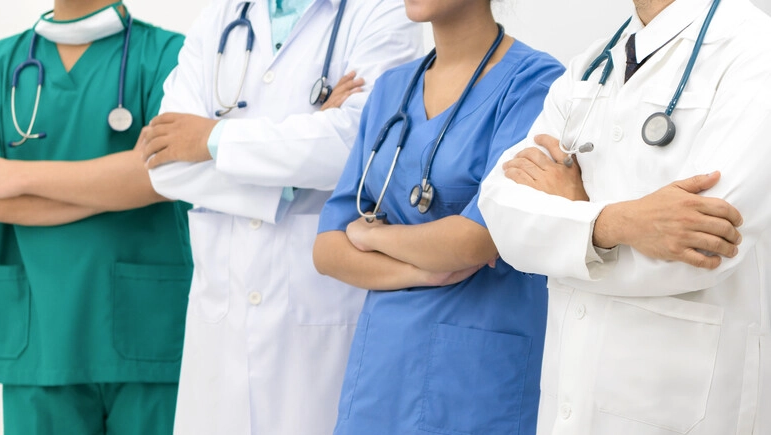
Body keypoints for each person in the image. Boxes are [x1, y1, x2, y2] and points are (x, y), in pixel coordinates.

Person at [478, 0, 771, 433]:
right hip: (569, 399)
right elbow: (502, 213)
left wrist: (569, 222)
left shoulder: (753, 49)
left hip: (681, 408)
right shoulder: (591, 66)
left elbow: (708, 243)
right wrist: (615, 224)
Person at [136, 0, 422, 433]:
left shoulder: (383, 11)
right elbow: (166, 164)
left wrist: (211, 138)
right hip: (222, 329)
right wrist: (297, 163)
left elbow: (358, 145)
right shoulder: (221, 15)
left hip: (317, 327)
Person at [312, 0, 564, 433]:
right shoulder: (392, 90)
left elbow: (476, 240)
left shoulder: (535, 84)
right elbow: (327, 249)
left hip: (475, 374)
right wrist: (426, 270)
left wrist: (372, 237)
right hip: (382, 370)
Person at [0, 1, 191, 434]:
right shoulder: (2, 66)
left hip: (145, 337)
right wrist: (115, 180)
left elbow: (166, 175)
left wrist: (14, 175)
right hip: (39, 339)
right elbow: (140, 177)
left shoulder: (168, 56)